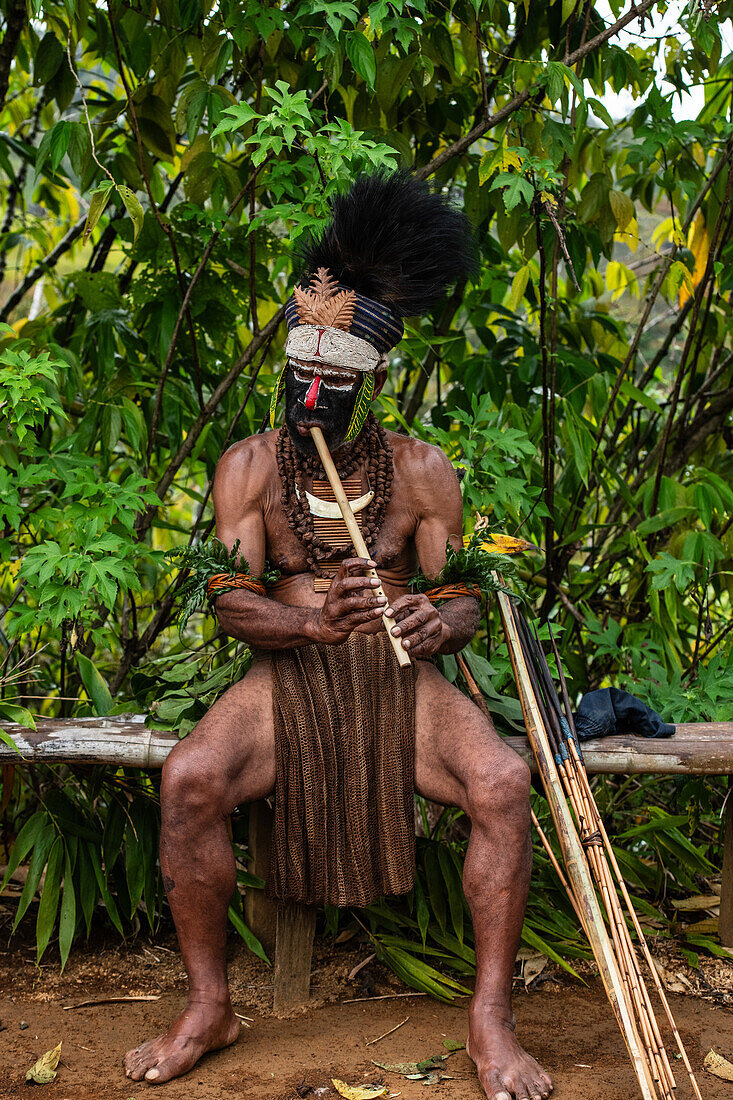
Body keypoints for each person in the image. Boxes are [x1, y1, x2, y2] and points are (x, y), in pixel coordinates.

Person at [123, 172, 552, 1100]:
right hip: (288, 676)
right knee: (190, 779)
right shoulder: (247, 465)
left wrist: (440, 620)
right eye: (299, 374)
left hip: (399, 680)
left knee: (502, 780)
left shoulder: (422, 471)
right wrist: (309, 621)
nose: (311, 392)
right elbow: (230, 600)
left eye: (334, 380)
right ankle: (209, 1005)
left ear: (375, 379)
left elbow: (469, 593)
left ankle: (489, 1020)